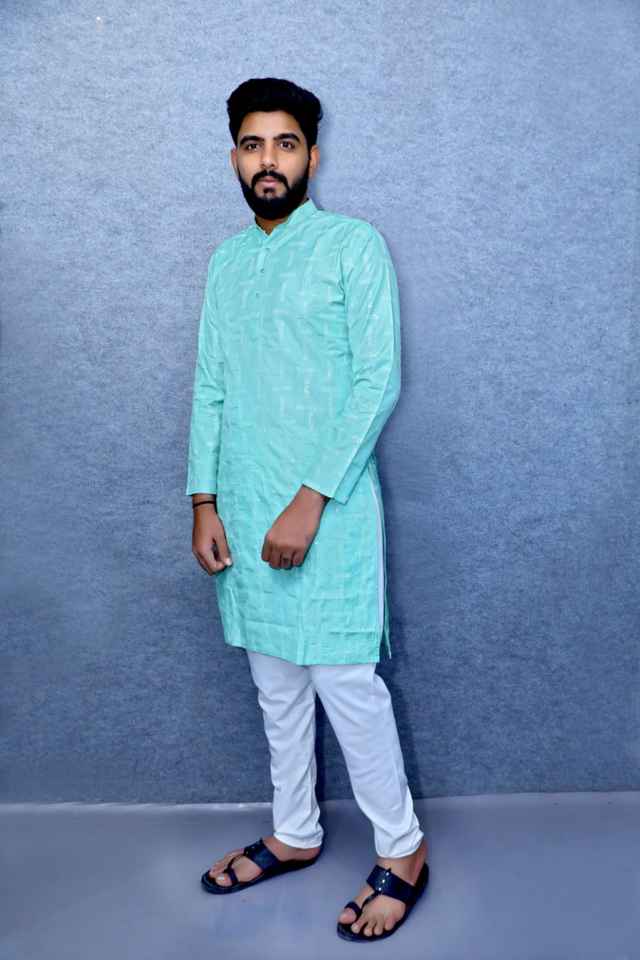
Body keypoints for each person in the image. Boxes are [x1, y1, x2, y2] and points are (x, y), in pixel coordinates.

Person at [186, 77, 429, 942]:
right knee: (275, 684)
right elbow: (211, 387)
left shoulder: (351, 246)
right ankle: (295, 831)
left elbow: (377, 381)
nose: (269, 161)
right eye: (253, 145)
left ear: (312, 157)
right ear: (234, 158)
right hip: (243, 501)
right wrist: (204, 499)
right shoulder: (226, 262)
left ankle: (403, 850)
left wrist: (309, 499)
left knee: (344, 684)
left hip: (328, 504)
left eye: (285, 144)